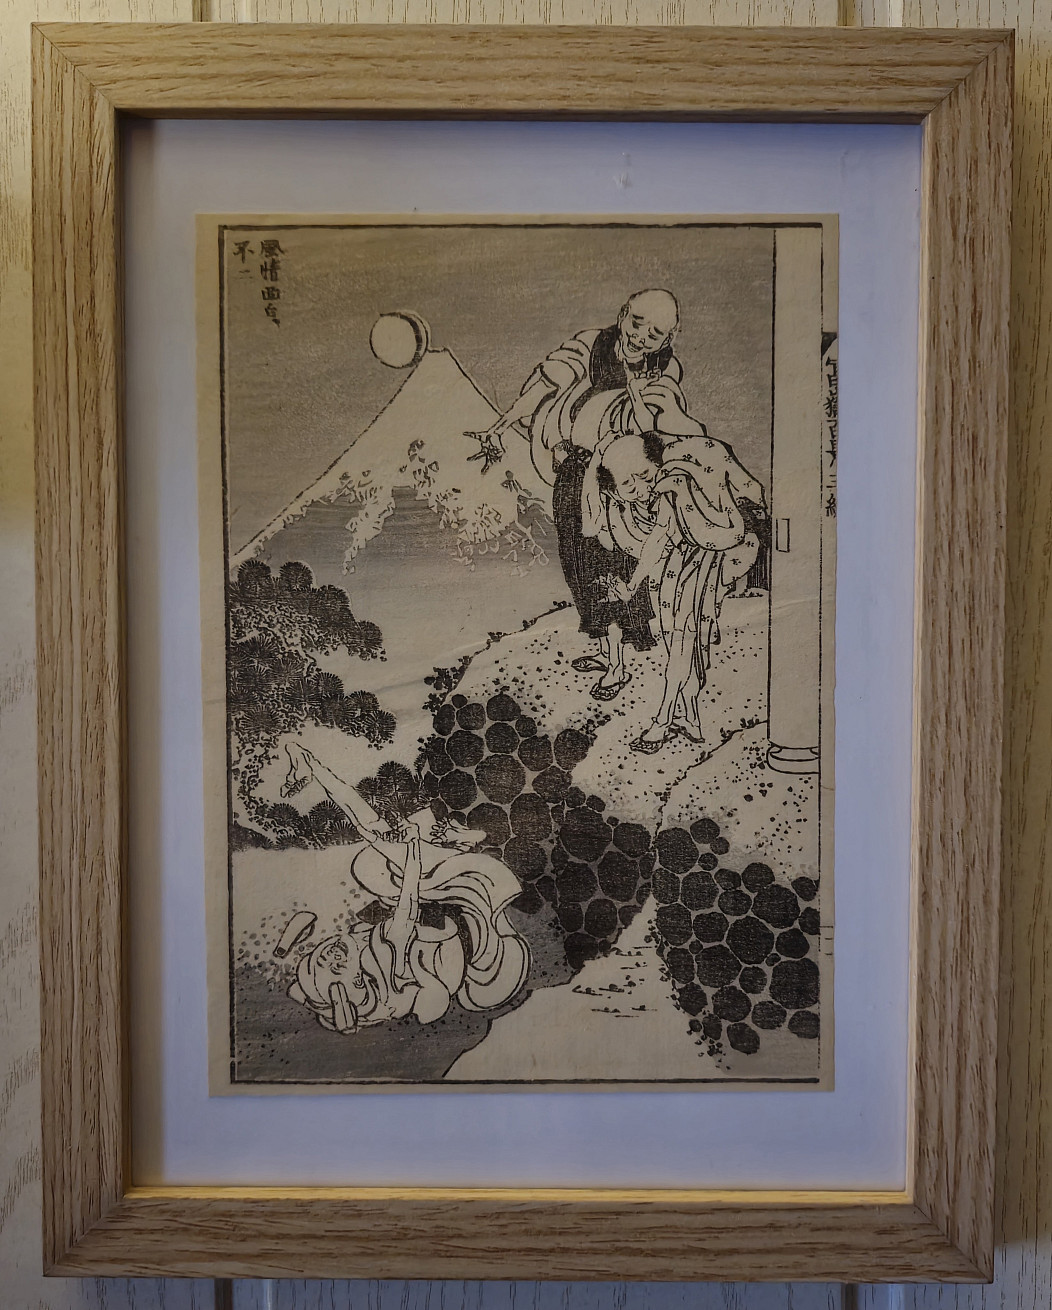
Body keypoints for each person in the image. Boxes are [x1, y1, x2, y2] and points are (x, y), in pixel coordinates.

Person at [466, 290, 710, 699]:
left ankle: (617, 665)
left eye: (655, 334)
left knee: (611, 565)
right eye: (637, 323)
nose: (641, 337)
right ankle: (604, 649)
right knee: (576, 562)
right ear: (623, 314)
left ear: (668, 339)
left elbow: (659, 423)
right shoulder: (591, 346)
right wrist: (500, 426)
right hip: (572, 470)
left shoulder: (664, 371)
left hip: (618, 481)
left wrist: (636, 393)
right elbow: (544, 388)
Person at [279, 743, 531, 1032]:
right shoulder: (386, 949)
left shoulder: (371, 944)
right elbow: (408, 897)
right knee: (387, 861)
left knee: (382, 858)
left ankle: (452, 845)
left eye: (320, 958)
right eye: (337, 967)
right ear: (356, 980)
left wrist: (315, 767)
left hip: (456, 933)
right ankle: (457, 844)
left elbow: (363, 818)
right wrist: (411, 847)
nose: (333, 955)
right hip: (482, 952)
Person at [604, 434, 767, 751]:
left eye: (644, 475)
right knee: (678, 646)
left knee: (681, 646)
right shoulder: (662, 496)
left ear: (656, 464)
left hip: (702, 570)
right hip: (676, 572)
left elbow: (715, 529)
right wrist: (633, 583)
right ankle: (691, 719)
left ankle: (662, 722)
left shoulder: (678, 485)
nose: (641, 487)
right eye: (628, 484)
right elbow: (658, 539)